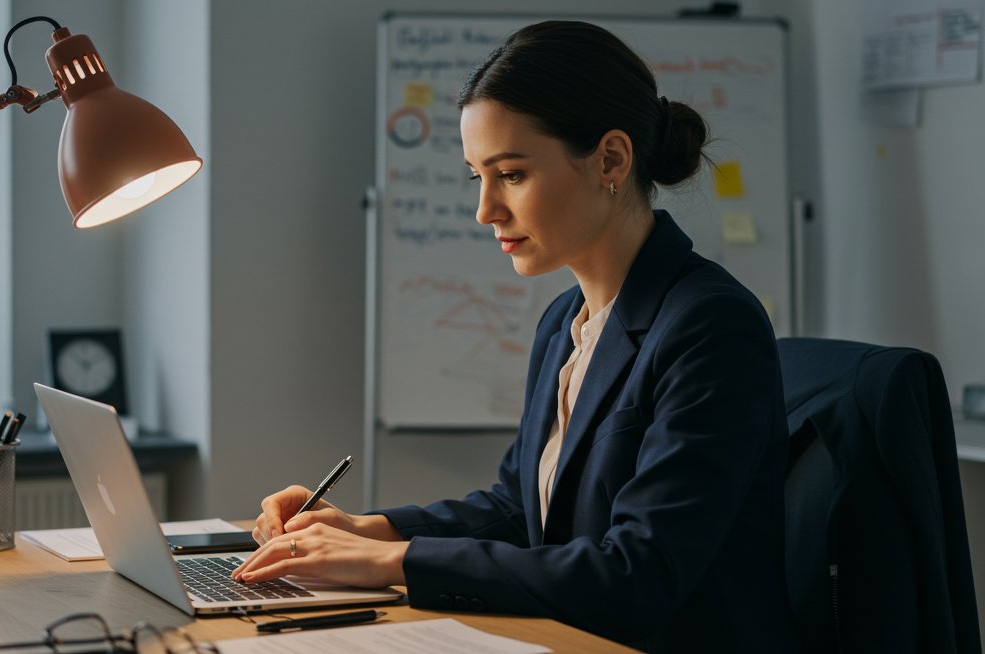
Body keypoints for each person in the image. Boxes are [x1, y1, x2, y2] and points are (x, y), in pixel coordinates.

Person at [233, 20, 797, 652]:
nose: (486, 210)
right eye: (479, 175)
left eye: (513, 174)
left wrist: (392, 564)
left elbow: (637, 574)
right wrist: (370, 529)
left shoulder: (710, 325)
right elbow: (519, 510)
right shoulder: (566, 320)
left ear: (611, 159)